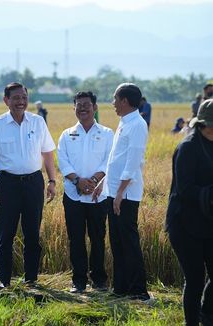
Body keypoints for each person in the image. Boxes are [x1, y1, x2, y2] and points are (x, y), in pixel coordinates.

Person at [0, 82, 57, 288]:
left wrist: (52, 180)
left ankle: (31, 280)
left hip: (33, 183)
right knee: (5, 235)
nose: (21, 102)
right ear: (6, 100)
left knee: (33, 234)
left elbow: (48, 153)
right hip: (7, 184)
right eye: (16, 98)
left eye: (24, 97)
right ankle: (4, 282)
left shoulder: (38, 122)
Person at [92, 83, 150, 301]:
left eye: (115, 98)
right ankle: (121, 288)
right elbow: (115, 160)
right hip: (114, 192)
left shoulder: (137, 124)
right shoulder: (124, 123)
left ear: (125, 101)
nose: (112, 103)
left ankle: (138, 290)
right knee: (117, 241)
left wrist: (119, 193)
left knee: (128, 241)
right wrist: (104, 184)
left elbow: (133, 162)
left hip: (125, 195)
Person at [57, 91, 114, 294]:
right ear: (74, 108)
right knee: (76, 239)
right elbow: (62, 160)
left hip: (99, 195)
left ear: (95, 107)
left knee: (98, 238)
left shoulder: (107, 133)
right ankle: (78, 281)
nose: (83, 108)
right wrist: (77, 181)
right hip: (73, 195)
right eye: (78, 105)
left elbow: (109, 160)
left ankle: (99, 280)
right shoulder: (67, 134)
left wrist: (94, 180)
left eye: (87, 105)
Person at [166, 99, 213, 326]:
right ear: (205, 124)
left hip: (209, 220)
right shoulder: (188, 147)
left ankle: (208, 315)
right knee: (194, 279)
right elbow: (184, 190)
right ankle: (191, 322)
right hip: (184, 222)